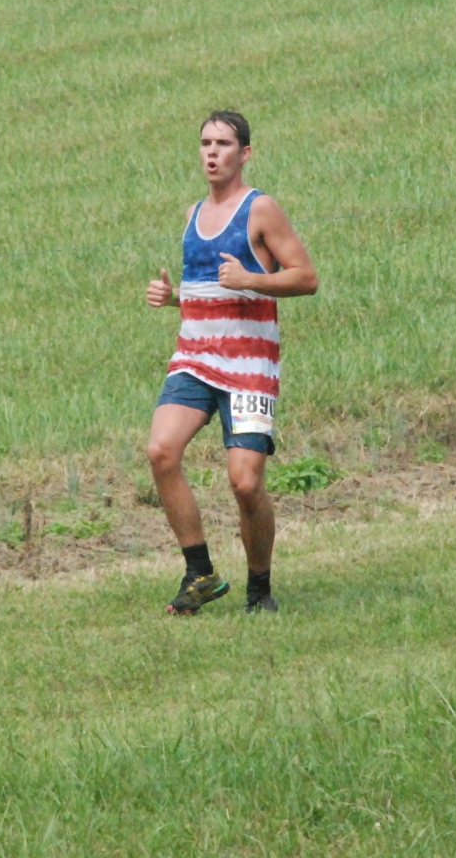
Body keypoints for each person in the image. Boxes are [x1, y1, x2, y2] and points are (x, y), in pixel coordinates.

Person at [145, 110, 318, 614]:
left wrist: (252, 280)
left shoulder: (260, 209)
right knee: (161, 451)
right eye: (205, 143)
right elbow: (209, 291)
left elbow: (306, 277)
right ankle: (199, 572)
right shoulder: (192, 214)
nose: (212, 152)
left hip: (249, 368)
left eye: (222, 144)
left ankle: (259, 590)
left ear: (245, 154)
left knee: (245, 484)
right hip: (194, 358)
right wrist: (174, 298)